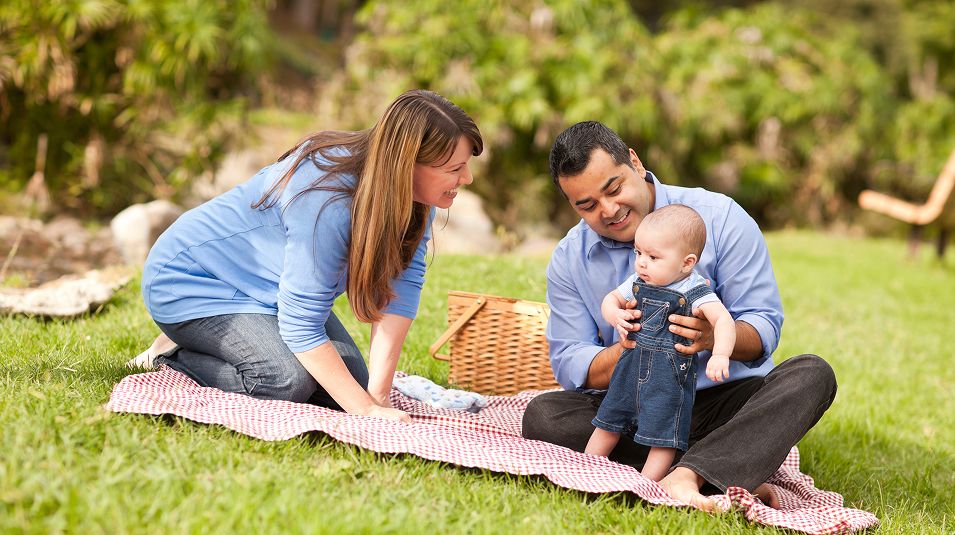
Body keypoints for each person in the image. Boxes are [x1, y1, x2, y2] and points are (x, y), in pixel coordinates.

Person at [522, 121, 836, 510]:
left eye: (614, 189)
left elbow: (764, 325)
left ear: (635, 163)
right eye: (587, 205)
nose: (609, 210)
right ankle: (719, 468)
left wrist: (711, 338)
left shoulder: (720, 218)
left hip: (722, 404)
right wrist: (630, 349)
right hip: (636, 406)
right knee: (544, 416)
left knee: (812, 375)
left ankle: (687, 474)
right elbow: (571, 361)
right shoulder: (570, 258)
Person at [137, 89, 482, 423]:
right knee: (284, 380)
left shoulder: (415, 201)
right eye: (454, 168)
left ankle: (236, 343)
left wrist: (376, 398)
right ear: (406, 164)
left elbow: (400, 290)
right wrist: (364, 411)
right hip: (192, 281)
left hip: (268, 292)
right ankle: (173, 354)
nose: (466, 178)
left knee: (350, 386)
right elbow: (301, 325)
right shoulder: (326, 199)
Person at [586, 204, 736, 484]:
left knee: (664, 435)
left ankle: (646, 484)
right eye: (638, 253)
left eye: (653, 257)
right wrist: (615, 315)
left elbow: (723, 320)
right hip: (628, 369)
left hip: (668, 379)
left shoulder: (695, 290)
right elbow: (610, 300)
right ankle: (587, 467)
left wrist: (720, 354)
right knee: (609, 419)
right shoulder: (636, 281)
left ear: (686, 263)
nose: (642, 263)